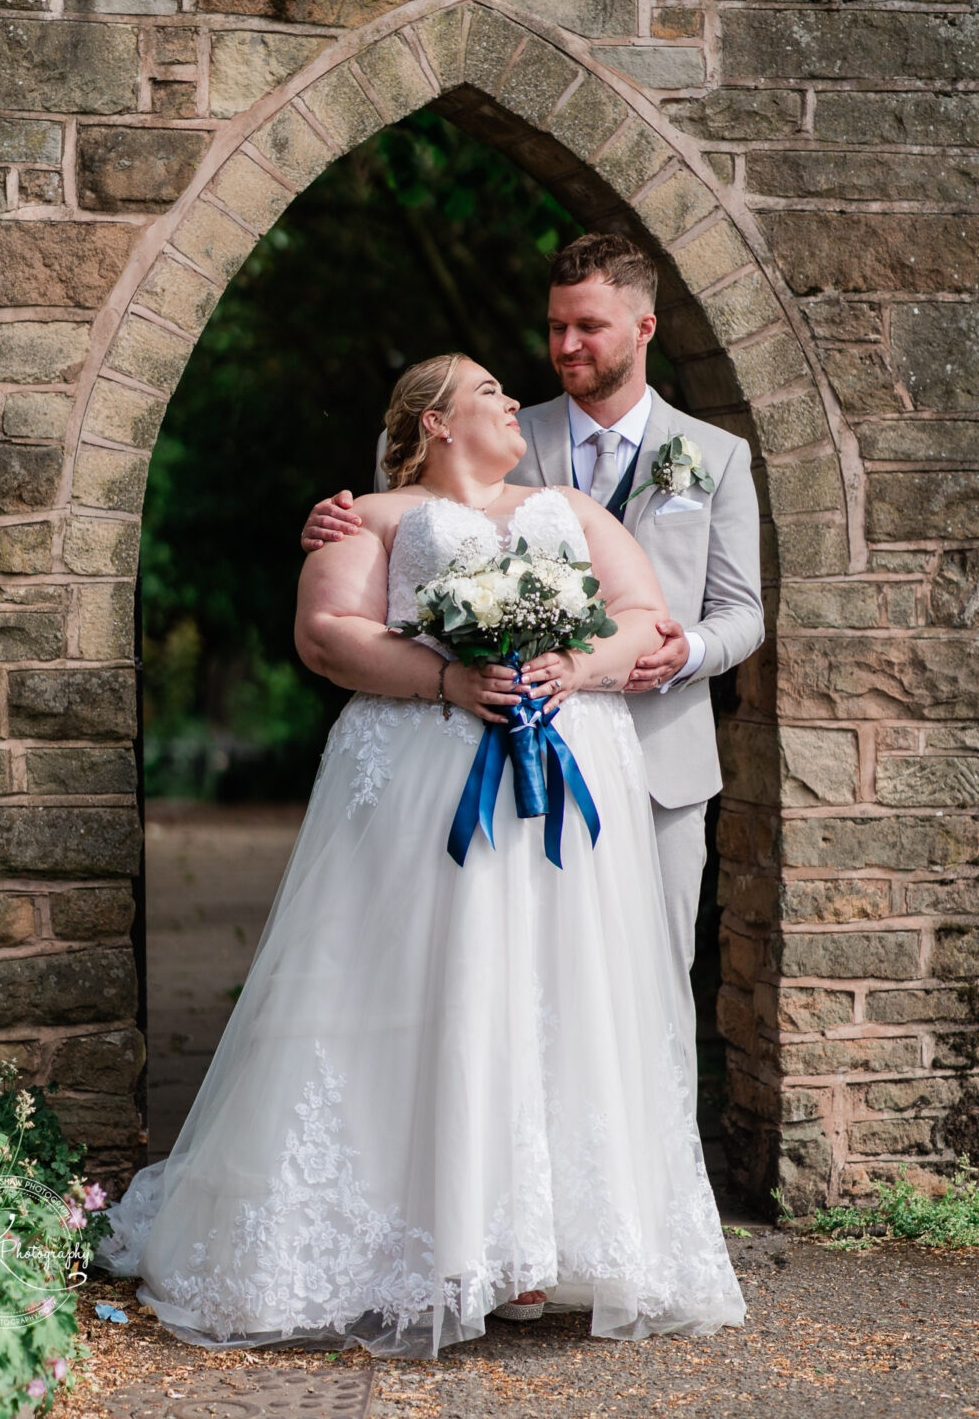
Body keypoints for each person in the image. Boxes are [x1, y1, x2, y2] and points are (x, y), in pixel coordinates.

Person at [96, 352, 745, 1357]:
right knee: (416, 989)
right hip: (425, 786)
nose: (506, 401)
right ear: (435, 422)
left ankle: (536, 1250)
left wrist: (575, 662)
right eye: (485, 390)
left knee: (560, 991)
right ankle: (434, 1238)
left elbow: (640, 615)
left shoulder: (569, 510)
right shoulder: (378, 518)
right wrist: (447, 682)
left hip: (565, 791)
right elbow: (325, 633)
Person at [302, 234, 765, 1022]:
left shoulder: (713, 457)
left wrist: (684, 651)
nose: (565, 345)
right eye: (555, 327)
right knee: (502, 974)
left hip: (654, 756)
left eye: (587, 326)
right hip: (484, 740)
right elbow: (402, 510)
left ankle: (653, 1150)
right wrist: (331, 523)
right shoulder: (505, 430)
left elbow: (742, 612)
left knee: (649, 983)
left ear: (643, 329)